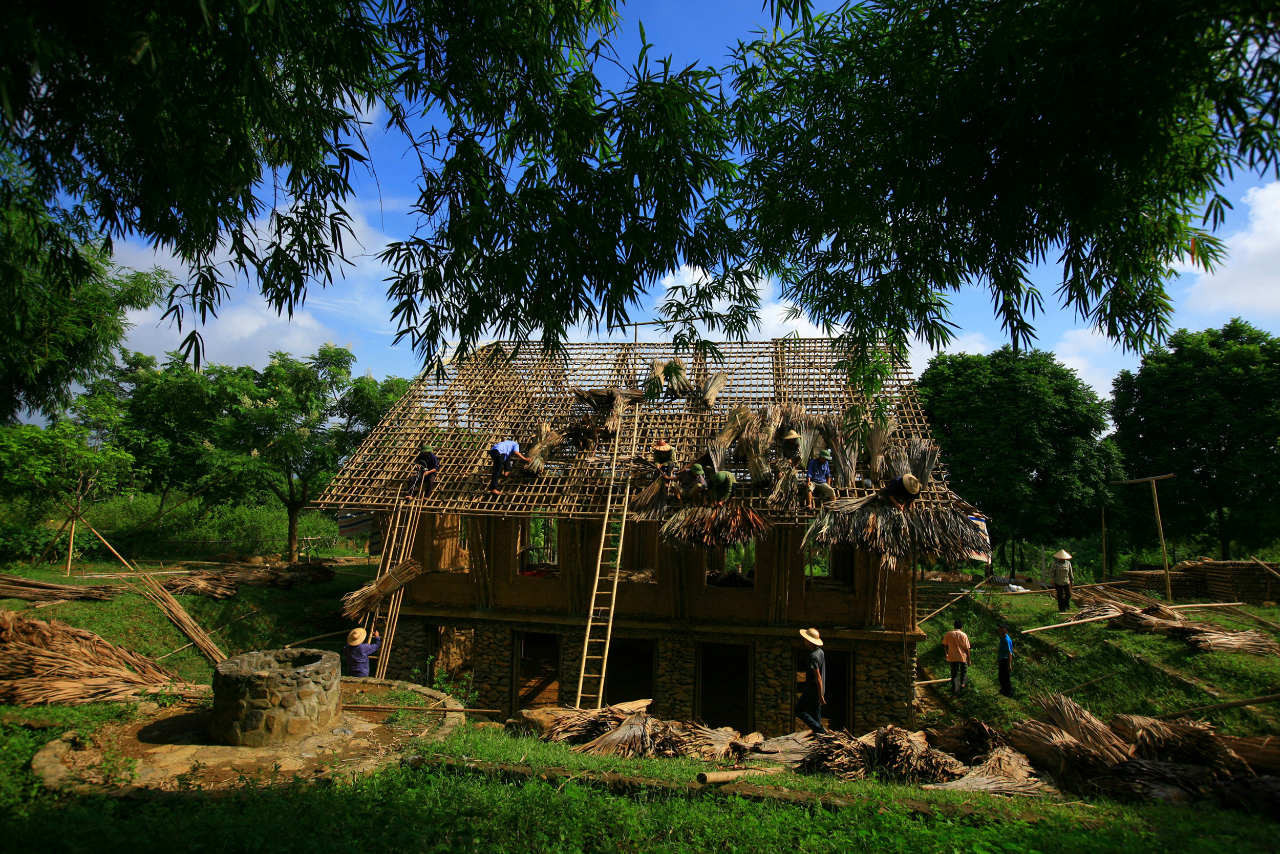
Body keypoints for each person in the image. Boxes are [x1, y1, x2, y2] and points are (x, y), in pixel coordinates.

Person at [796, 627, 826, 733]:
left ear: (810, 642)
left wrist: (820, 695)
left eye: (805, 640)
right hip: (818, 690)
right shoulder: (820, 652)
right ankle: (820, 735)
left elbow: (818, 677)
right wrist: (821, 692)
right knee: (816, 714)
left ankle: (820, 731)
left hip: (812, 690)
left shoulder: (813, 657)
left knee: (799, 710)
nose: (804, 641)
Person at [942, 618, 971, 694]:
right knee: (963, 672)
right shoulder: (964, 635)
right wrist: (969, 659)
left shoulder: (948, 634)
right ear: (961, 627)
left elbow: (944, 645)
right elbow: (967, 648)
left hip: (952, 657)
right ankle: (962, 684)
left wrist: (946, 653)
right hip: (962, 657)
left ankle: (955, 689)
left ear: (954, 626)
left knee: (954, 673)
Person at [996, 625, 1014, 697]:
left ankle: (1009, 692)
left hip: (1005, 660)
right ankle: (1003, 689)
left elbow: (1010, 652)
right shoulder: (1002, 638)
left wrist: (1009, 664)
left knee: (1006, 677)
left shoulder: (1007, 639)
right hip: (1001, 659)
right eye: (999, 629)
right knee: (1001, 676)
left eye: (1001, 629)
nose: (999, 630)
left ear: (1005, 630)